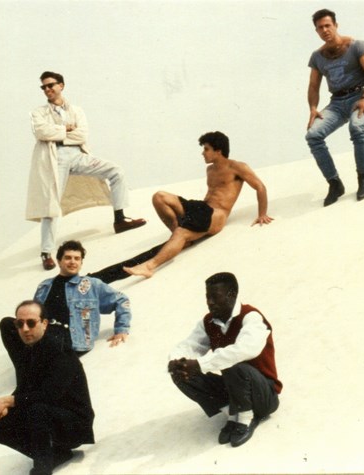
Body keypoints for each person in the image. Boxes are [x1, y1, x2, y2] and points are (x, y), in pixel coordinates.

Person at [26, 71, 146, 271]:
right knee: (51, 203)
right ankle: (46, 252)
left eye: (50, 85)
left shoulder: (76, 110)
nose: (47, 89)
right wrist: (66, 129)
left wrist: (58, 133)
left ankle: (120, 220)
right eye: (43, 87)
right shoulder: (38, 113)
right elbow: (41, 132)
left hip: (77, 155)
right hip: (55, 159)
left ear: (61, 85)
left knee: (116, 171)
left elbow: (81, 135)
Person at [124, 131, 272, 278]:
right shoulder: (210, 169)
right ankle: (181, 238)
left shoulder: (237, 167)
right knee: (159, 197)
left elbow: (260, 187)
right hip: (202, 208)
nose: (203, 153)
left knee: (181, 232)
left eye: (206, 149)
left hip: (217, 215)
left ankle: (149, 267)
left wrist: (262, 214)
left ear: (218, 151)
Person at [168, 272, 282, 447]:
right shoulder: (209, 322)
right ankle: (232, 414)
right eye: (207, 297)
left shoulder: (251, 317)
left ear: (232, 294)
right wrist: (177, 362)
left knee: (233, 362)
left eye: (215, 297)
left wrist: (199, 364)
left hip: (263, 395)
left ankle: (246, 417)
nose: (210, 302)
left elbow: (244, 350)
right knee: (182, 374)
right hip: (235, 388)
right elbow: (190, 345)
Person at [0, 300, 94, 475]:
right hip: (46, 414)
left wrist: (9, 401)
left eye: (31, 323)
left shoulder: (59, 350)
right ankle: (56, 454)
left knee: (37, 410)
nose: (25, 329)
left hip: (74, 425)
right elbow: (27, 387)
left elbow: (50, 395)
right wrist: (6, 407)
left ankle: (42, 469)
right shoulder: (29, 350)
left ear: (44, 323)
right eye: (20, 324)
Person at [305, 8, 364, 206]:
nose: (325, 30)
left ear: (336, 25)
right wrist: (313, 108)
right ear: (316, 31)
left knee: (357, 128)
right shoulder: (317, 56)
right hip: (337, 103)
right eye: (320, 28)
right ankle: (334, 183)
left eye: (327, 25)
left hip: (359, 97)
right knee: (313, 135)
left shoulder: (357, 46)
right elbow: (313, 85)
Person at [34, 240, 131, 355]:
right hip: (43, 341)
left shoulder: (92, 285)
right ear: (59, 261)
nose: (72, 262)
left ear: (81, 263)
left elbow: (122, 300)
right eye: (68, 258)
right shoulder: (44, 286)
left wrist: (121, 330)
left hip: (73, 344)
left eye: (77, 258)